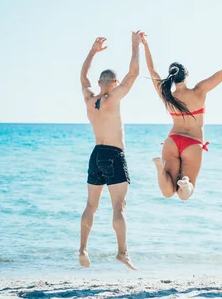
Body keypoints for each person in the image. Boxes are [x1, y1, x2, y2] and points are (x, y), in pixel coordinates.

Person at [141, 34, 222, 200]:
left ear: (171, 77)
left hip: (172, 141)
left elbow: (152, 70)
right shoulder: (198, 91)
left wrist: (145, 44)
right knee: (184, 194)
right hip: (192, 143)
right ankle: (185, 181)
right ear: (187, 74)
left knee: (168, 192)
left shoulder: (167, 96)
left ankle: (159, 169)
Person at [78, 32, 142, 270]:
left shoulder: (89, 98)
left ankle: (83, 249)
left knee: (90, 205)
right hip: (114, 155)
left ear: (99, 83)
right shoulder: (114, 97)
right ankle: (122, 253)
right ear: (114, 84)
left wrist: (93, 51)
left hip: (95, 154)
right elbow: (133, 73)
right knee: (118, 207)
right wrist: (135, 45)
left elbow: (83, 76)